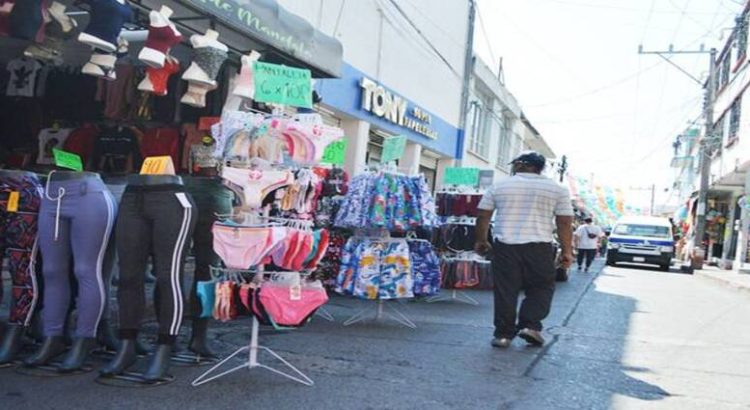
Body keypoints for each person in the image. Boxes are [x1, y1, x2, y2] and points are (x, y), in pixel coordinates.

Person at [474, 151, 574, 348]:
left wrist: (481, 240)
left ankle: (503, 335)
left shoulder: (500, 185)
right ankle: (530, 326)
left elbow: (483, 216)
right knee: (541, 287)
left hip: (505, 246)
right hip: (540, 247)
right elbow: (564, 223)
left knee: (506, 290)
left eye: (515, 164)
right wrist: (567, 251)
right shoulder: (557, 189)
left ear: (520, 164)